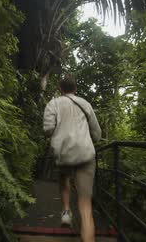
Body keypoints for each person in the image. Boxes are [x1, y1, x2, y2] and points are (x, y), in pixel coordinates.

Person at [43, 75, 102, 242]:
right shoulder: (85, 104)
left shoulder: (53, 104)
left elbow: (47, 129)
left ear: (60, 88)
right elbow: (97, 134)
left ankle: (66, 212)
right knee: (85, 207)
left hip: (64, 154)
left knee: (64, 177)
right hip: (85, 155)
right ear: (75, 89)